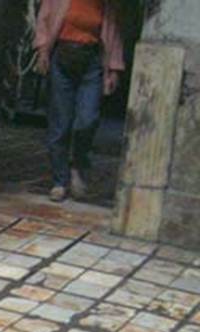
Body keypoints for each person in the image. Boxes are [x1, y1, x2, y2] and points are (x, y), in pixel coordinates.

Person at [34, 0, 125, 201]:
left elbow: (112, 33)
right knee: (60, 123)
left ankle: (78, 163)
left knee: (88, 118)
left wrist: (113, 70)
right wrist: (43, 50)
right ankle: (60, 181)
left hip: (91, 61)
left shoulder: (105, 4)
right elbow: (44, 18)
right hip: (62, 57)